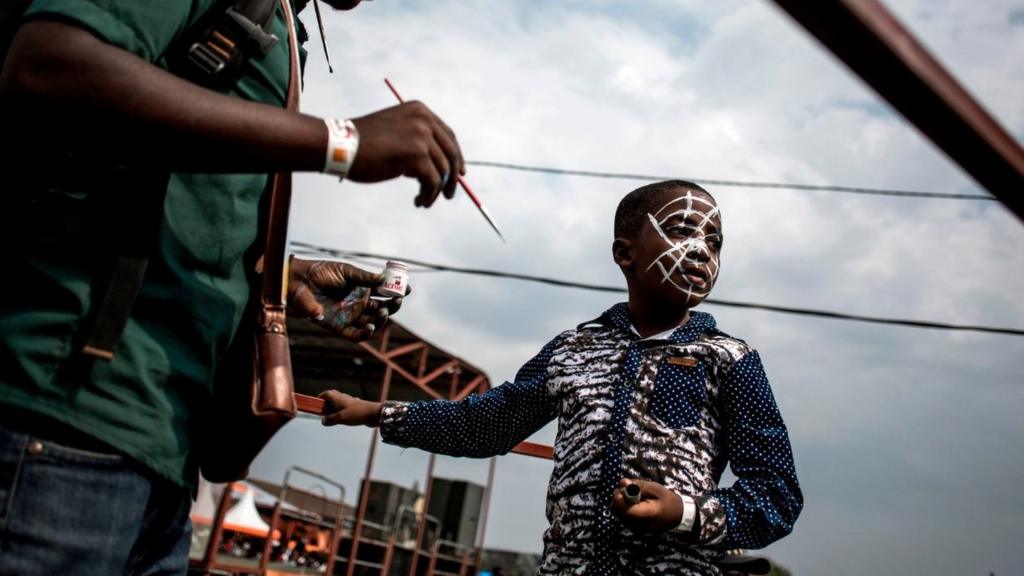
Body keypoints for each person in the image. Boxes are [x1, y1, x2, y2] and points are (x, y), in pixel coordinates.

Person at [0, 0, 463, 574]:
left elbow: (174, 192)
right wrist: (339, 143)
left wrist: (282, 279)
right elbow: (50, 65)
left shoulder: (285, 29)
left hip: (166, 455)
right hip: (68, 416)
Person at [320, 180, 803, 574]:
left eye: (714, 241)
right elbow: (487, 423)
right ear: (624, 253)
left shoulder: (730, 359)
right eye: (680, 231)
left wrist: (684, 513)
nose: (700, 250)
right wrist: (378, 413)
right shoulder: (573, 349)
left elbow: (777, 495)